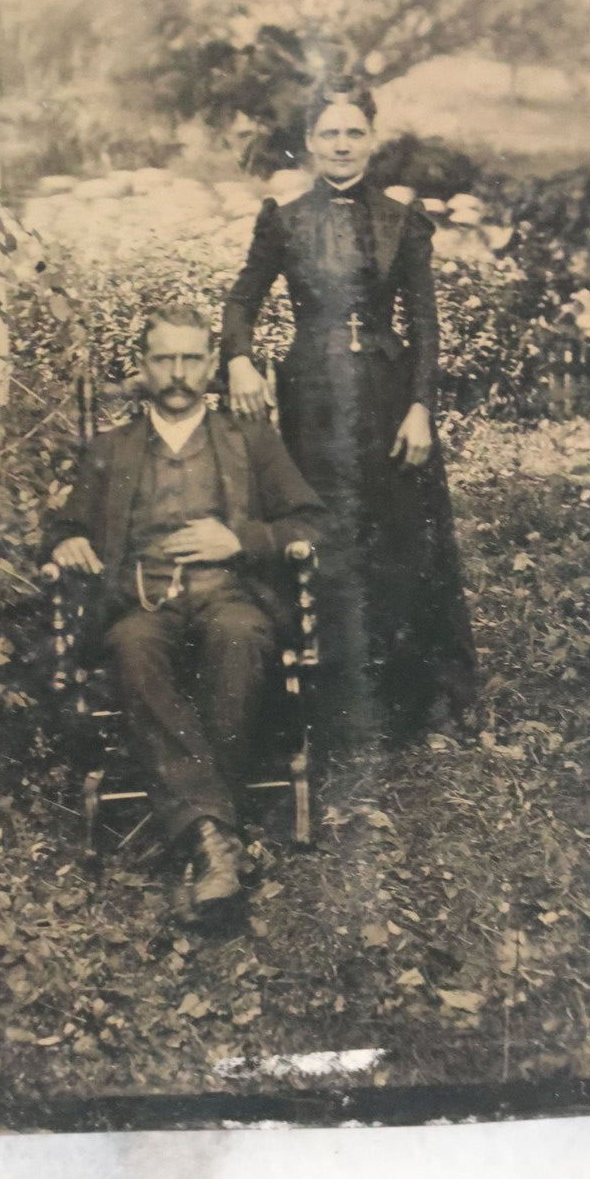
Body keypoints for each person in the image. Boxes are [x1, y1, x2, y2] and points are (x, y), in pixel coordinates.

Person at [49, 303, 324, 923]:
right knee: (132, 648)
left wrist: (242, 540)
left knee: (239, 635)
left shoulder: (248, 438)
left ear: (210, 365)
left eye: (190, 358)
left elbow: (310, 522)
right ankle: (217, 842)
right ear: (142, 367)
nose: (177, 372)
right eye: (163, 358)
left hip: (230, 594)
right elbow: (66, 524)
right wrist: (66, 541)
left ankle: (199, 834)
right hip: (140, 599)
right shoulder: (111, 448)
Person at [222, 80, 476, 735]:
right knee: (321, 534)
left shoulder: (402, 221)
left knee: (396, 538)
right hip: (313, 401)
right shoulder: (283, 219)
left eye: (353, 132)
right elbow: (240, 302)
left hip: (388, 402)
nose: (341, 144)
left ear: (371, 138)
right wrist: (240, 359)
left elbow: (425, 326)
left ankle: (407, 701)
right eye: (329, 133)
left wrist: (421, 408)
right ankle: (323, 705)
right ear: (309, 143)